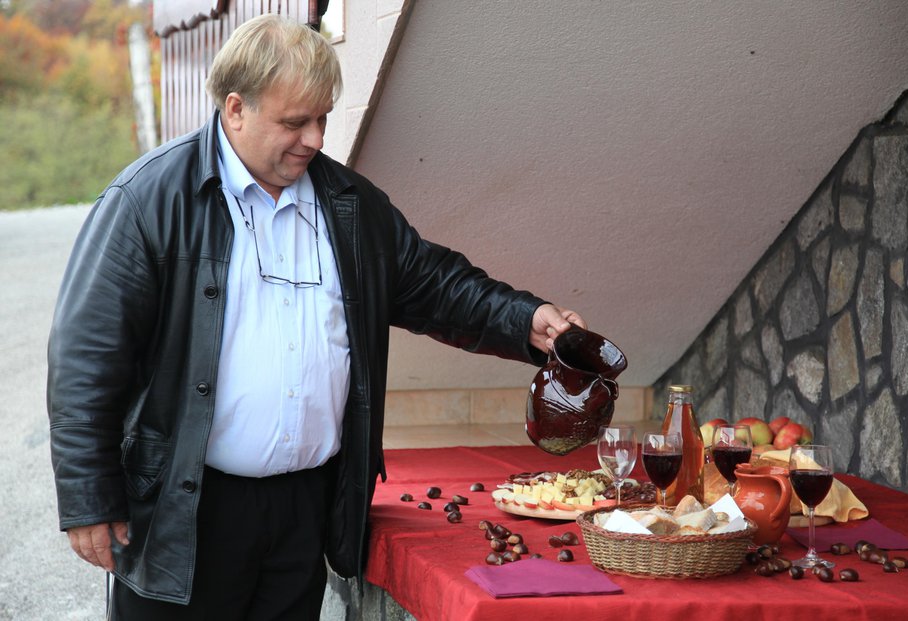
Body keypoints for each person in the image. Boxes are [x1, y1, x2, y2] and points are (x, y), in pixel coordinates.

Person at [47, 13, 585, 620]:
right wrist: (90, 497)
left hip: (302, 509)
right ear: (235, 109)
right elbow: (86, 355)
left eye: (322, 119)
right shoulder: (149, 199)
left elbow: (436, 284)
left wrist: (527, 320)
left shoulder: (351, 205)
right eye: (294, 122)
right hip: (184, 507)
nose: (315, 139)